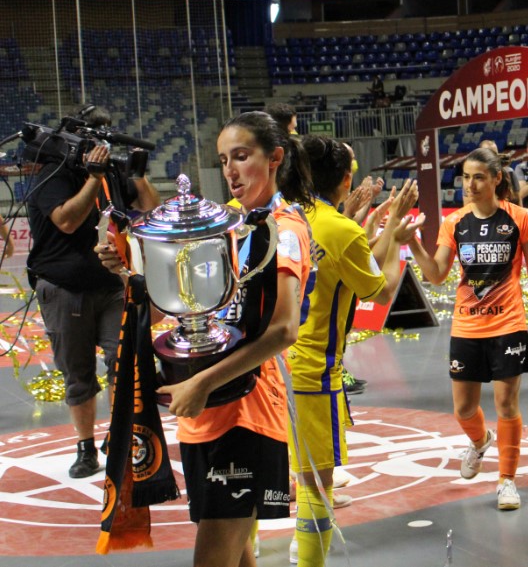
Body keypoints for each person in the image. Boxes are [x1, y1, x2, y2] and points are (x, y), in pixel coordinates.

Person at [99, 110, 314, 567]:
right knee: (238, 556)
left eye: (242, 156)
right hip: (207, 410)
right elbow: (177, 304)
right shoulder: (224, 225)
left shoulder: (286, 230)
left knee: (214, 557)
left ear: (274, 157)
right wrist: (126, 270)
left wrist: (202, 383)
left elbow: (284, 330)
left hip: (247, 409)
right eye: (223, 160)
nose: (231, 170)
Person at [288, 136, 422, 565]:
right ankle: (305, 554)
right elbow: (378, 290)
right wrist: (397, 234)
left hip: (268, 366)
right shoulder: (340, 229)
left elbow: (354, 260)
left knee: (266, 468)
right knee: (315, 484)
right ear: (346, 180)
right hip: (312, 369)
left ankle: (249, 546)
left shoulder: (282, 216)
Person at [408, 147, 528, 510]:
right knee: (463, 410)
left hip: (508, 323)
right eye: (465, 178)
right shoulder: (453, 222)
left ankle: (506, 481)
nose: (469, 185)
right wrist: (411, 241)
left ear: (495, 179)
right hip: (467, 326)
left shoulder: (519, 218)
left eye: (477, 177)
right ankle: (480, 440)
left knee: (506, 403)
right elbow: (437, 275)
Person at [26, 105, 159, 478]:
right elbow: (67, 221)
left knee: (123, 360)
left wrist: (138, 176)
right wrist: (92, 178)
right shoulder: (52, 174)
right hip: (65, 288)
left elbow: (153, 210)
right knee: (79, 373)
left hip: (111, 285)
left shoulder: (113, 175)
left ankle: (119, 436)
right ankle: (86, 447)